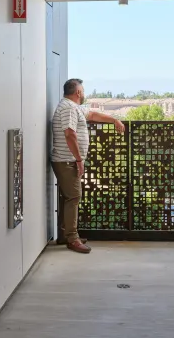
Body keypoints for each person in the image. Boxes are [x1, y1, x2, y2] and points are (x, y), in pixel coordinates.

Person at [51, 78, 125, 254]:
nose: (83, 94)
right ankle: (72, 238)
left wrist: (114, 120)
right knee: (74, 197)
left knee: (68, 197)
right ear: (78, 92)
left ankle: (65, 234)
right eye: (82, 91)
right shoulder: (69, 108)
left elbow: (91, 115)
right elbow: (69, 134)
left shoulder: (72, 106)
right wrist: (78, 159)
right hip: (67, 160)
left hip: (67, 159)